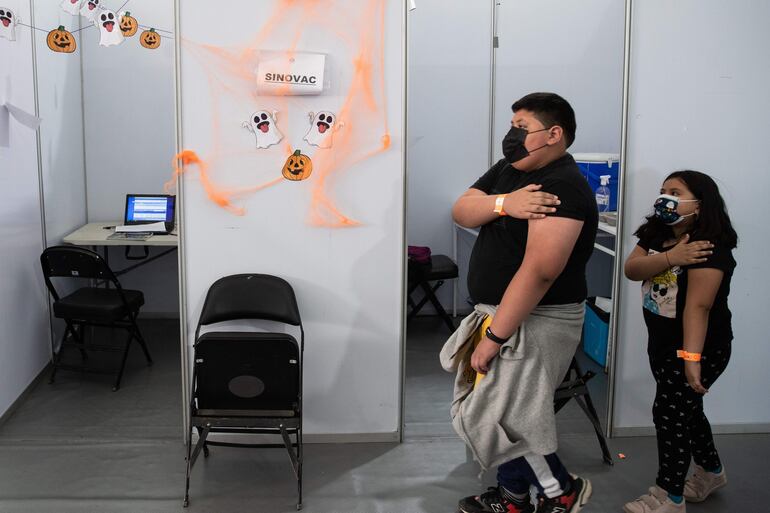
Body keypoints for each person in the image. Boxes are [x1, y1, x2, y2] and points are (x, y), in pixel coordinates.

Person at [449, 92, 596, 513]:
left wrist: (495, 336)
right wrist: (504, 204)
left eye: (522, 127)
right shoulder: (510, 170)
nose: (512, 136)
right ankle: (513, 498)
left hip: (536, 320)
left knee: (504, 418)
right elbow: (462, 210)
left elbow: (539, 271)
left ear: (554, 134)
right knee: (505, 412)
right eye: (511, 126)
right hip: (504, 315)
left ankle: (560, 491)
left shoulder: (562, 186)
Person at [622, 171, 737, 513]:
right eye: (662, 191)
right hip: (661, 344)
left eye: (675, 191)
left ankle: (668, 496)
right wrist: (671, 258)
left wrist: (691, 359)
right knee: (686, 409)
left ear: (699, 204)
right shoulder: (655, 232)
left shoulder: (708, 246)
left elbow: (698, 308)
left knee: (669, 413)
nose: (664, 198)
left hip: (700, 349)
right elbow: (632, 268)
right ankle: (711, 472)